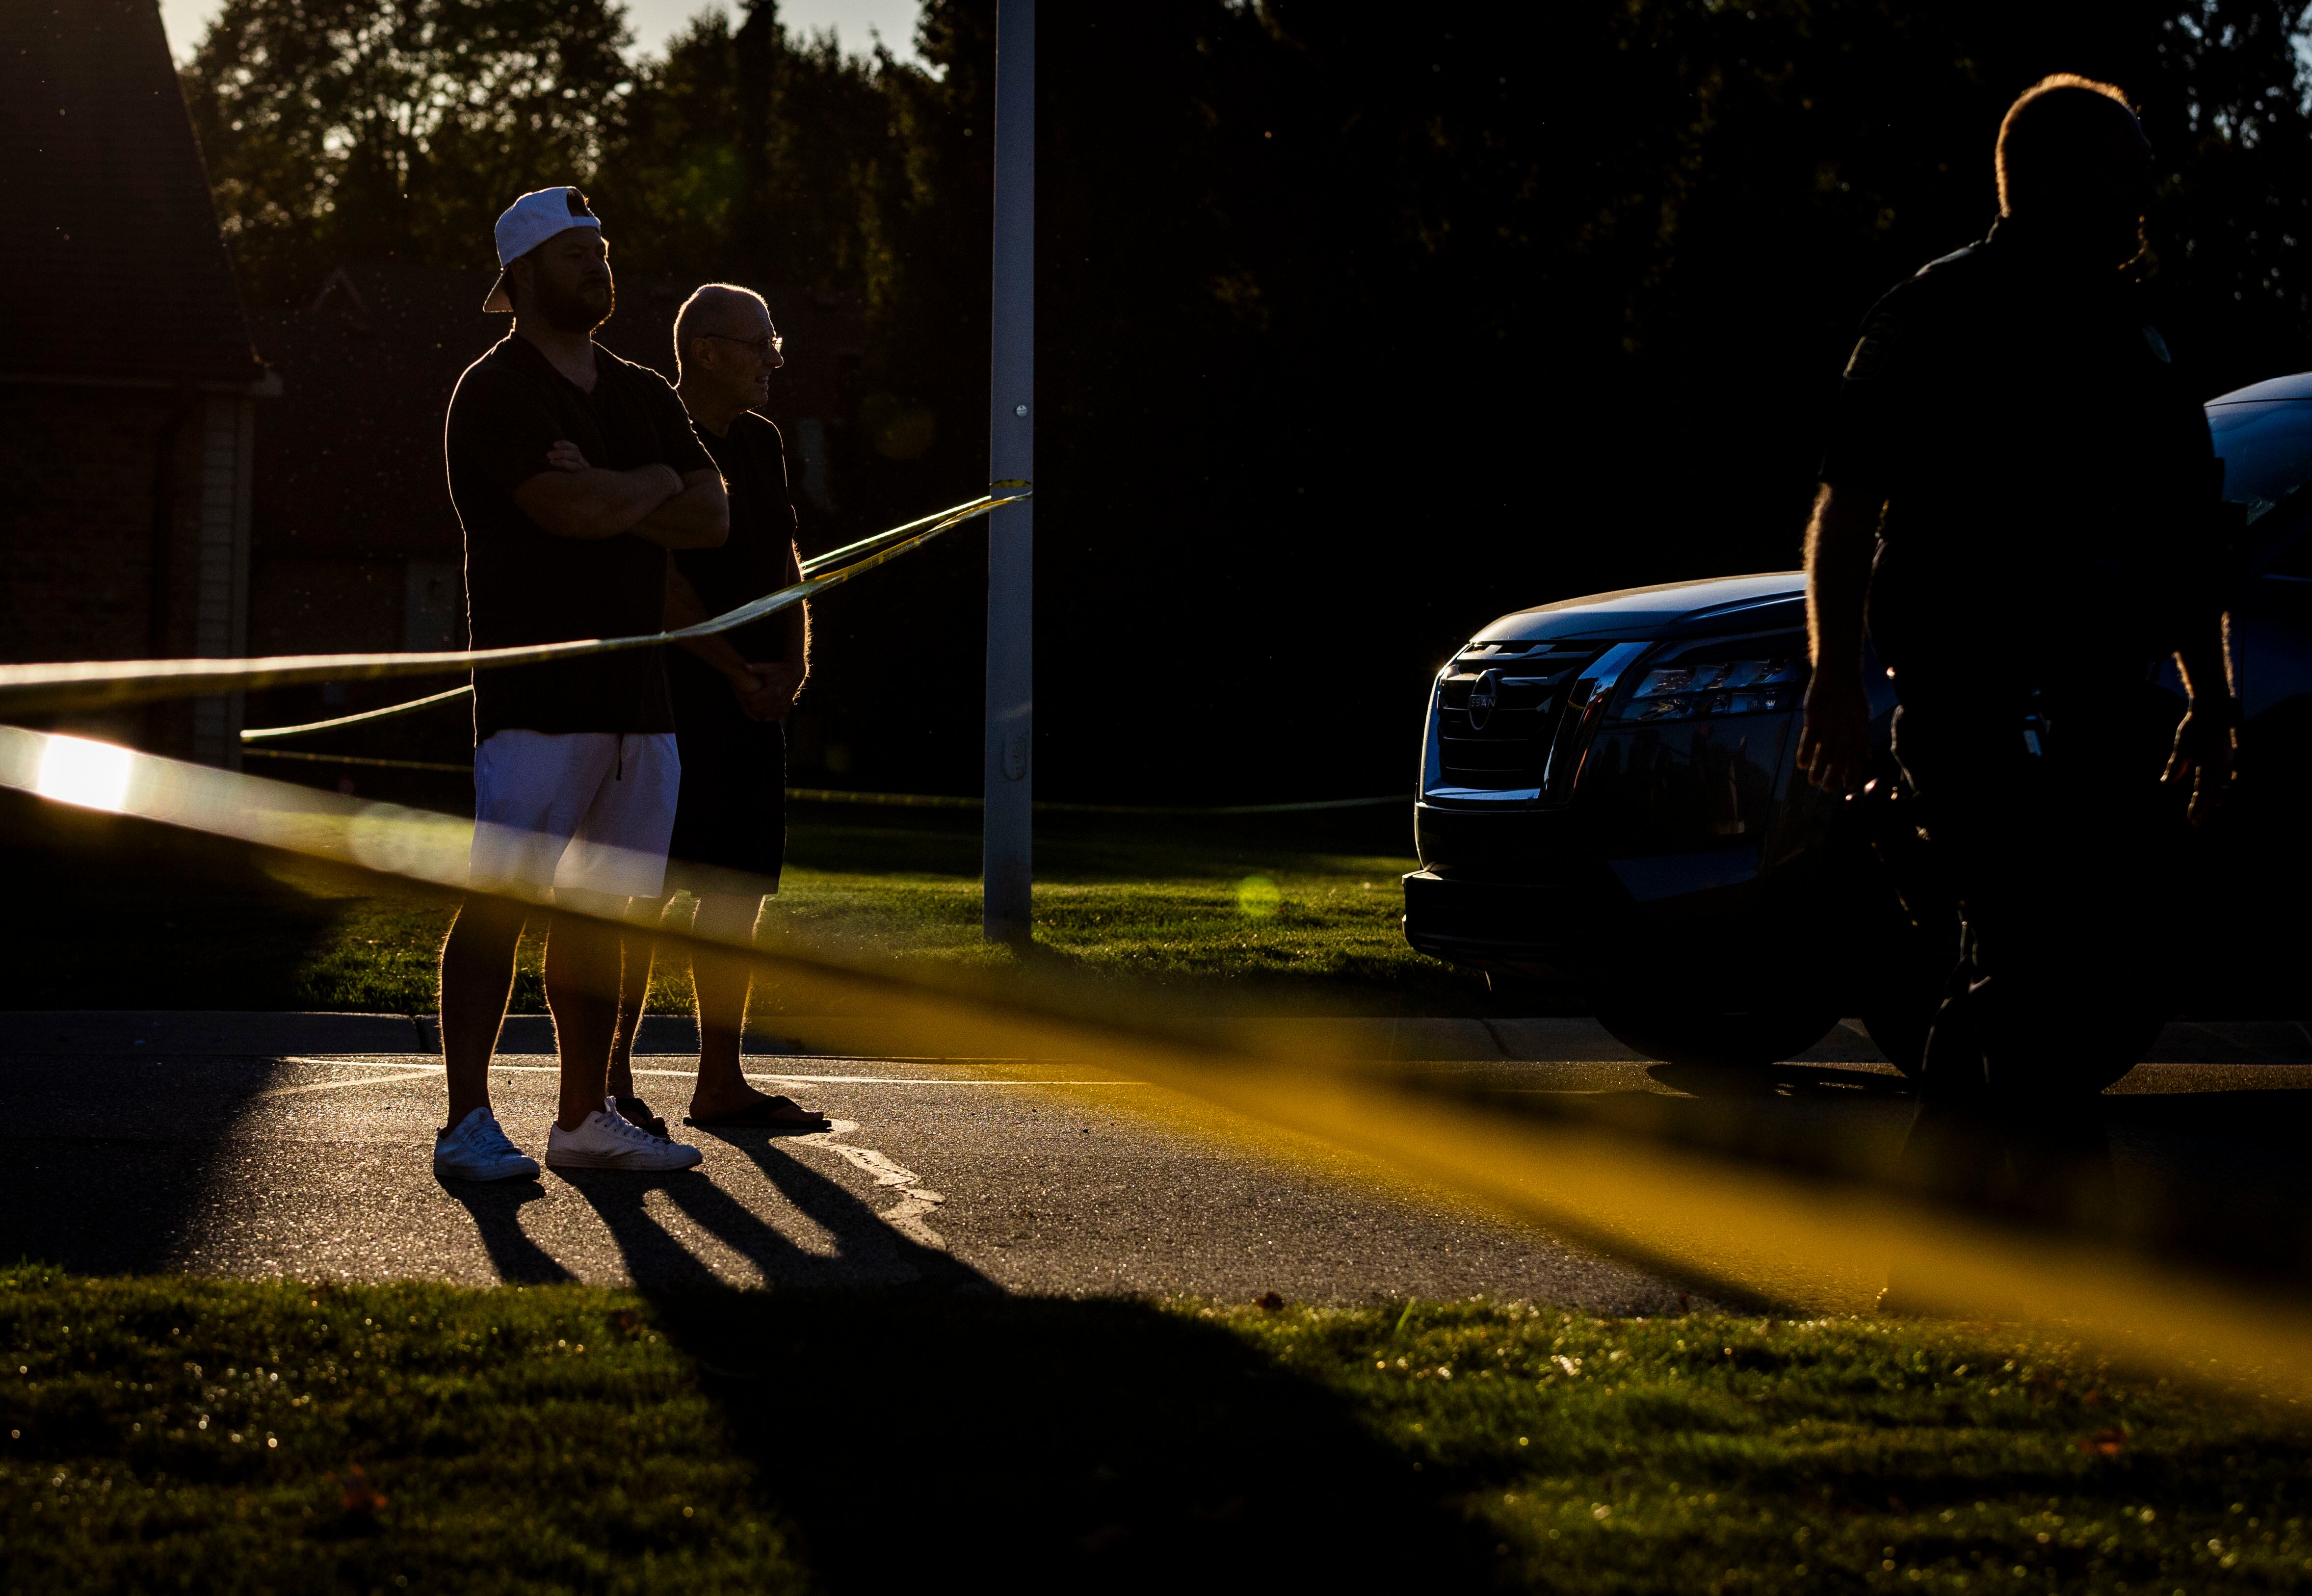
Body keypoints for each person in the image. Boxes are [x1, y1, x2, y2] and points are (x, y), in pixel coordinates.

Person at [1796, 77, 2238, 1281]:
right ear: (2047, 177)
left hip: (2101, 704)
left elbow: (2182, 535)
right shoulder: (1929, 316)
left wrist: (2210, 694)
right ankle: (2089, 1259)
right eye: (2124, 170)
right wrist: (1835, 678)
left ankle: (1923, 1263)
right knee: (2032, 949)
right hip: (1965, 695)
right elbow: (1848, 510)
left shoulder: (2136, 336)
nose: (2144, 194)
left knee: (2020, 966)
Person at [431, 186, 732, 1181]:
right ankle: (467, 1122)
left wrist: (627, 489)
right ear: (519, 277)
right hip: (535, 699)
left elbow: (712, 517)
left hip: (639, 705)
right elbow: (563, 511)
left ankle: (582, 1117)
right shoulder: (495, 390)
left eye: (601, 249)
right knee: (501, 904)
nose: (597, 266)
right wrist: (648, 486)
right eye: (573, 253)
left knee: (606, 916)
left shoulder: (644, 390)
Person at [602, 284, 833, 1135]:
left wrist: (792, 664)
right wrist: (735, 666)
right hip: (672, 701)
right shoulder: (654, 432)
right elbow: (656, 579)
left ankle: (720, 1084)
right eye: (759, 343)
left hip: (755, 704)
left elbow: (785, 556)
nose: (774, 358)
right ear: (704, 350)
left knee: (736, 890)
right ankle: (612, 1083)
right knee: (648, 892)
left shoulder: (765, 443)